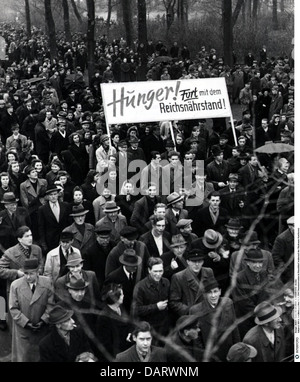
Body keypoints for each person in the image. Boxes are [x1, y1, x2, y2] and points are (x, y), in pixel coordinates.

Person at [9, 258, 54, 362]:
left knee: (41, 356)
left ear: (38, 272)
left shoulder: (47, 282)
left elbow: (51, 304)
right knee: (24, 357)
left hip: (42, 329)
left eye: (31, 273)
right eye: (25, 273)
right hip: (23, 330)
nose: (28, 277)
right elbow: (13, 308)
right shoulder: (15, 285)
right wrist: (26, 323)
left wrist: (43, 320)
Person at [189, 279, 240, 362]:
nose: (213, 295)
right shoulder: (195, 311)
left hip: (229, 353)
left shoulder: (228, 303)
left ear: (220, 291)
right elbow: (196, 340)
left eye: (215, 291)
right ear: (205, 294)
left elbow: (234, 329)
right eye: (209, 292)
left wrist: (238, 349)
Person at [132, 257, 170, 342]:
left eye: (161, 271)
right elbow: (136, 310)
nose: (158, 274)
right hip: (149, 329)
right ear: (149, 270)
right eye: (155, 271)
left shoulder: (166, 282)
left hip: (164, 328)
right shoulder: (140, 287)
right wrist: (156, 307)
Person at [169, 248, 215, 319]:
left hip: (208, 314)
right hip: (190, 317)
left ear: (202, 262)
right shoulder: (178, 277)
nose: (197, 264)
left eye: (199, 261)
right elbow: (174, 302)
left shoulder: (208, 272)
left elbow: (214, 292)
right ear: (188, 262)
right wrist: (191, 311)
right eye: (193, 261)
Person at [96, 283, 133, 362]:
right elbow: (106, 344)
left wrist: (130, 333)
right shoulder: (104, 317)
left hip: (126, 349)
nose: (123, 296)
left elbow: (129, 323)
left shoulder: (121, 308)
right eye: (121, 294)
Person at [104, 249, 143, 315]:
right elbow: (106, 298)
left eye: (136, 265)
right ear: (125, 265)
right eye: (133, 265)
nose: (136, 267)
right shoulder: (113, 277)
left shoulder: (139, 273)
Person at [38, 185, 70, 253]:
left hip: (65, 239)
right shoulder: (42, 209)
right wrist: (43, 243)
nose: (53, 196)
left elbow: (69, 223)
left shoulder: (65, 206)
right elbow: (41, 227)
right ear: (47, 196)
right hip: (50, 241)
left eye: (55, 194)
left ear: (58, 194)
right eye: (51, 195)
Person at [272, 216, 294, 284]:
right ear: (290, 227)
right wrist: (286, 270)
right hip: (290, 274)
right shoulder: (281, 239)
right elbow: (276, 257)